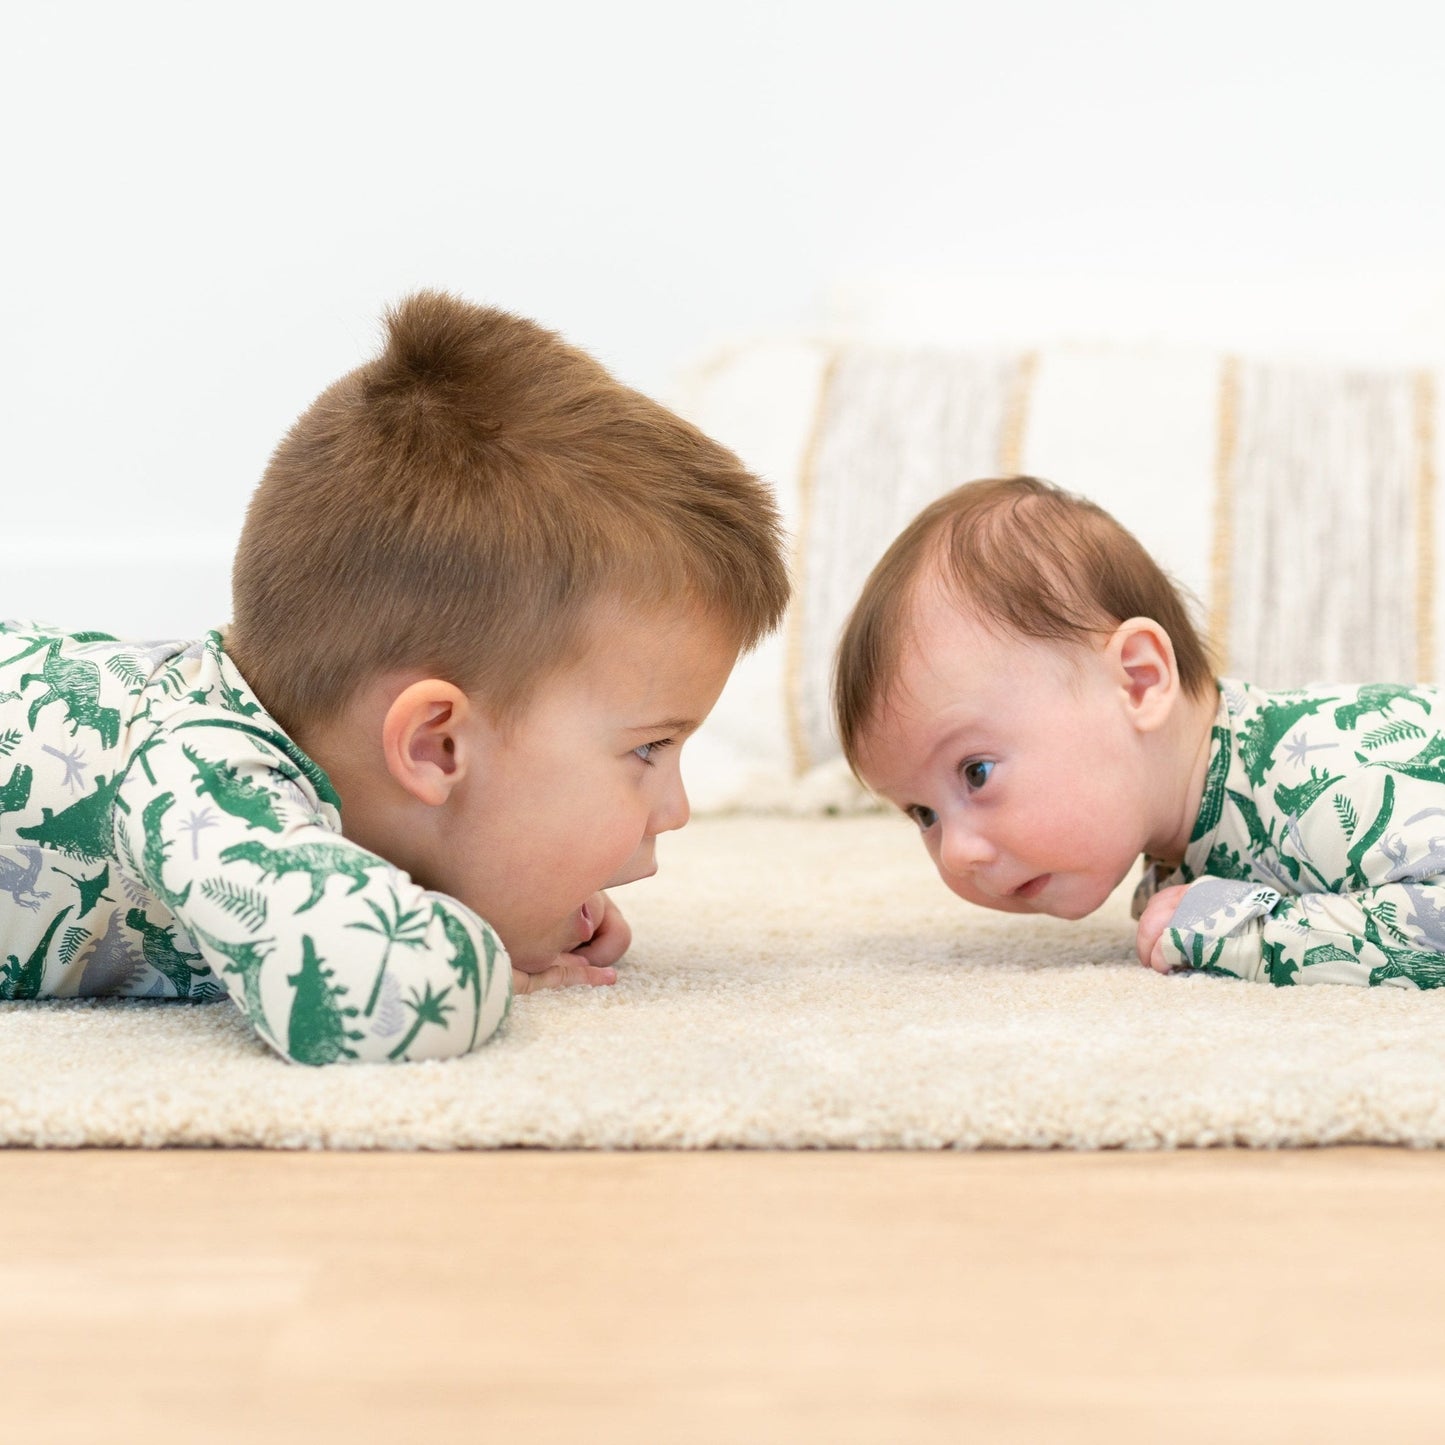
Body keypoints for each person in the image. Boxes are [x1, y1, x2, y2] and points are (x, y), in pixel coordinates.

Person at [0, 291, 789, 1061]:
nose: (677, 809)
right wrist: (476, 940)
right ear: (436, 745)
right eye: (648, 748)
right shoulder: (199, 776)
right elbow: (376, 990)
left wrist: (505, 891)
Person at [834, 474, 1445, 990]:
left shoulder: (1317, 781)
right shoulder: (1183, 845)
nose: (957, 853)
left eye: (976, 772)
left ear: (1138, 682)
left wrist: (1253, 934)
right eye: (923, 813)